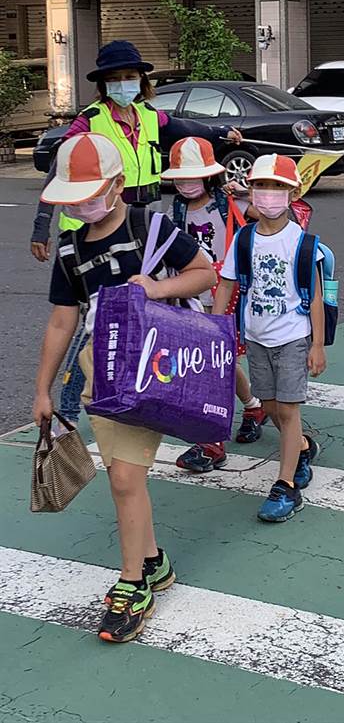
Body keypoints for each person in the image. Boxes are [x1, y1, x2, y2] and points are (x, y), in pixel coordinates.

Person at [32, 132, 215, 643]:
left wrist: (157, 287)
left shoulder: (150, 226)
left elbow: (204, 273)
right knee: (124, 478)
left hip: (160, 363)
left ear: (116, 185)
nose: (83, 205)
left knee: (124, 480)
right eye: (74, 196)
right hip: (106, 369)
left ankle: (133, 585)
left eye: (91, 192)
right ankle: (150, 566)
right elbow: (61, 322)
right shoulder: (70, 250)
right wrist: (42, 389)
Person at [29, 40, 242, 428]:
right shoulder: (90, 121)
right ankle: (70, 411)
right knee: (94, 317)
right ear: (104, 85)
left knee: (158, 310)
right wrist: (42, 227)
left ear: (141, 82)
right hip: (91, 225)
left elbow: (186, 127)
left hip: (137, 221)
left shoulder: (148, 115)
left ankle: (163, 388)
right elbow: (60, 171)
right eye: (115, 79)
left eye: (130, 77)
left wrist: (223, 132)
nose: (123, 84)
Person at [214, 154, 326, 523]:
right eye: (262, 186)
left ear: (292, 192)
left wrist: (317, 345)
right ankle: (304, 449)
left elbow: (316, 297)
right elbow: (228, 282)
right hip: (258, 338)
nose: (269, 195)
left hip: (294, 338)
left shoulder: (302, 243)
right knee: (274, 408)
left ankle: (286, 485)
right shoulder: (244, 238)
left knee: (289, 411)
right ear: (251, 189)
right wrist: (217, 326)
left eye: (278, 187)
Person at [159, 135, 268, 471]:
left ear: (209, 175)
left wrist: (245, 194)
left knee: (213, 363)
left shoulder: (225, 202)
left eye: (194, 176)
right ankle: (252, 406)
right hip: (191, 294)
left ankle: (212, 442)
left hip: (223, 293)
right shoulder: (174, 208)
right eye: (181, 177)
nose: (188, 183)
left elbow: (266, 212)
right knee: (215, 362)